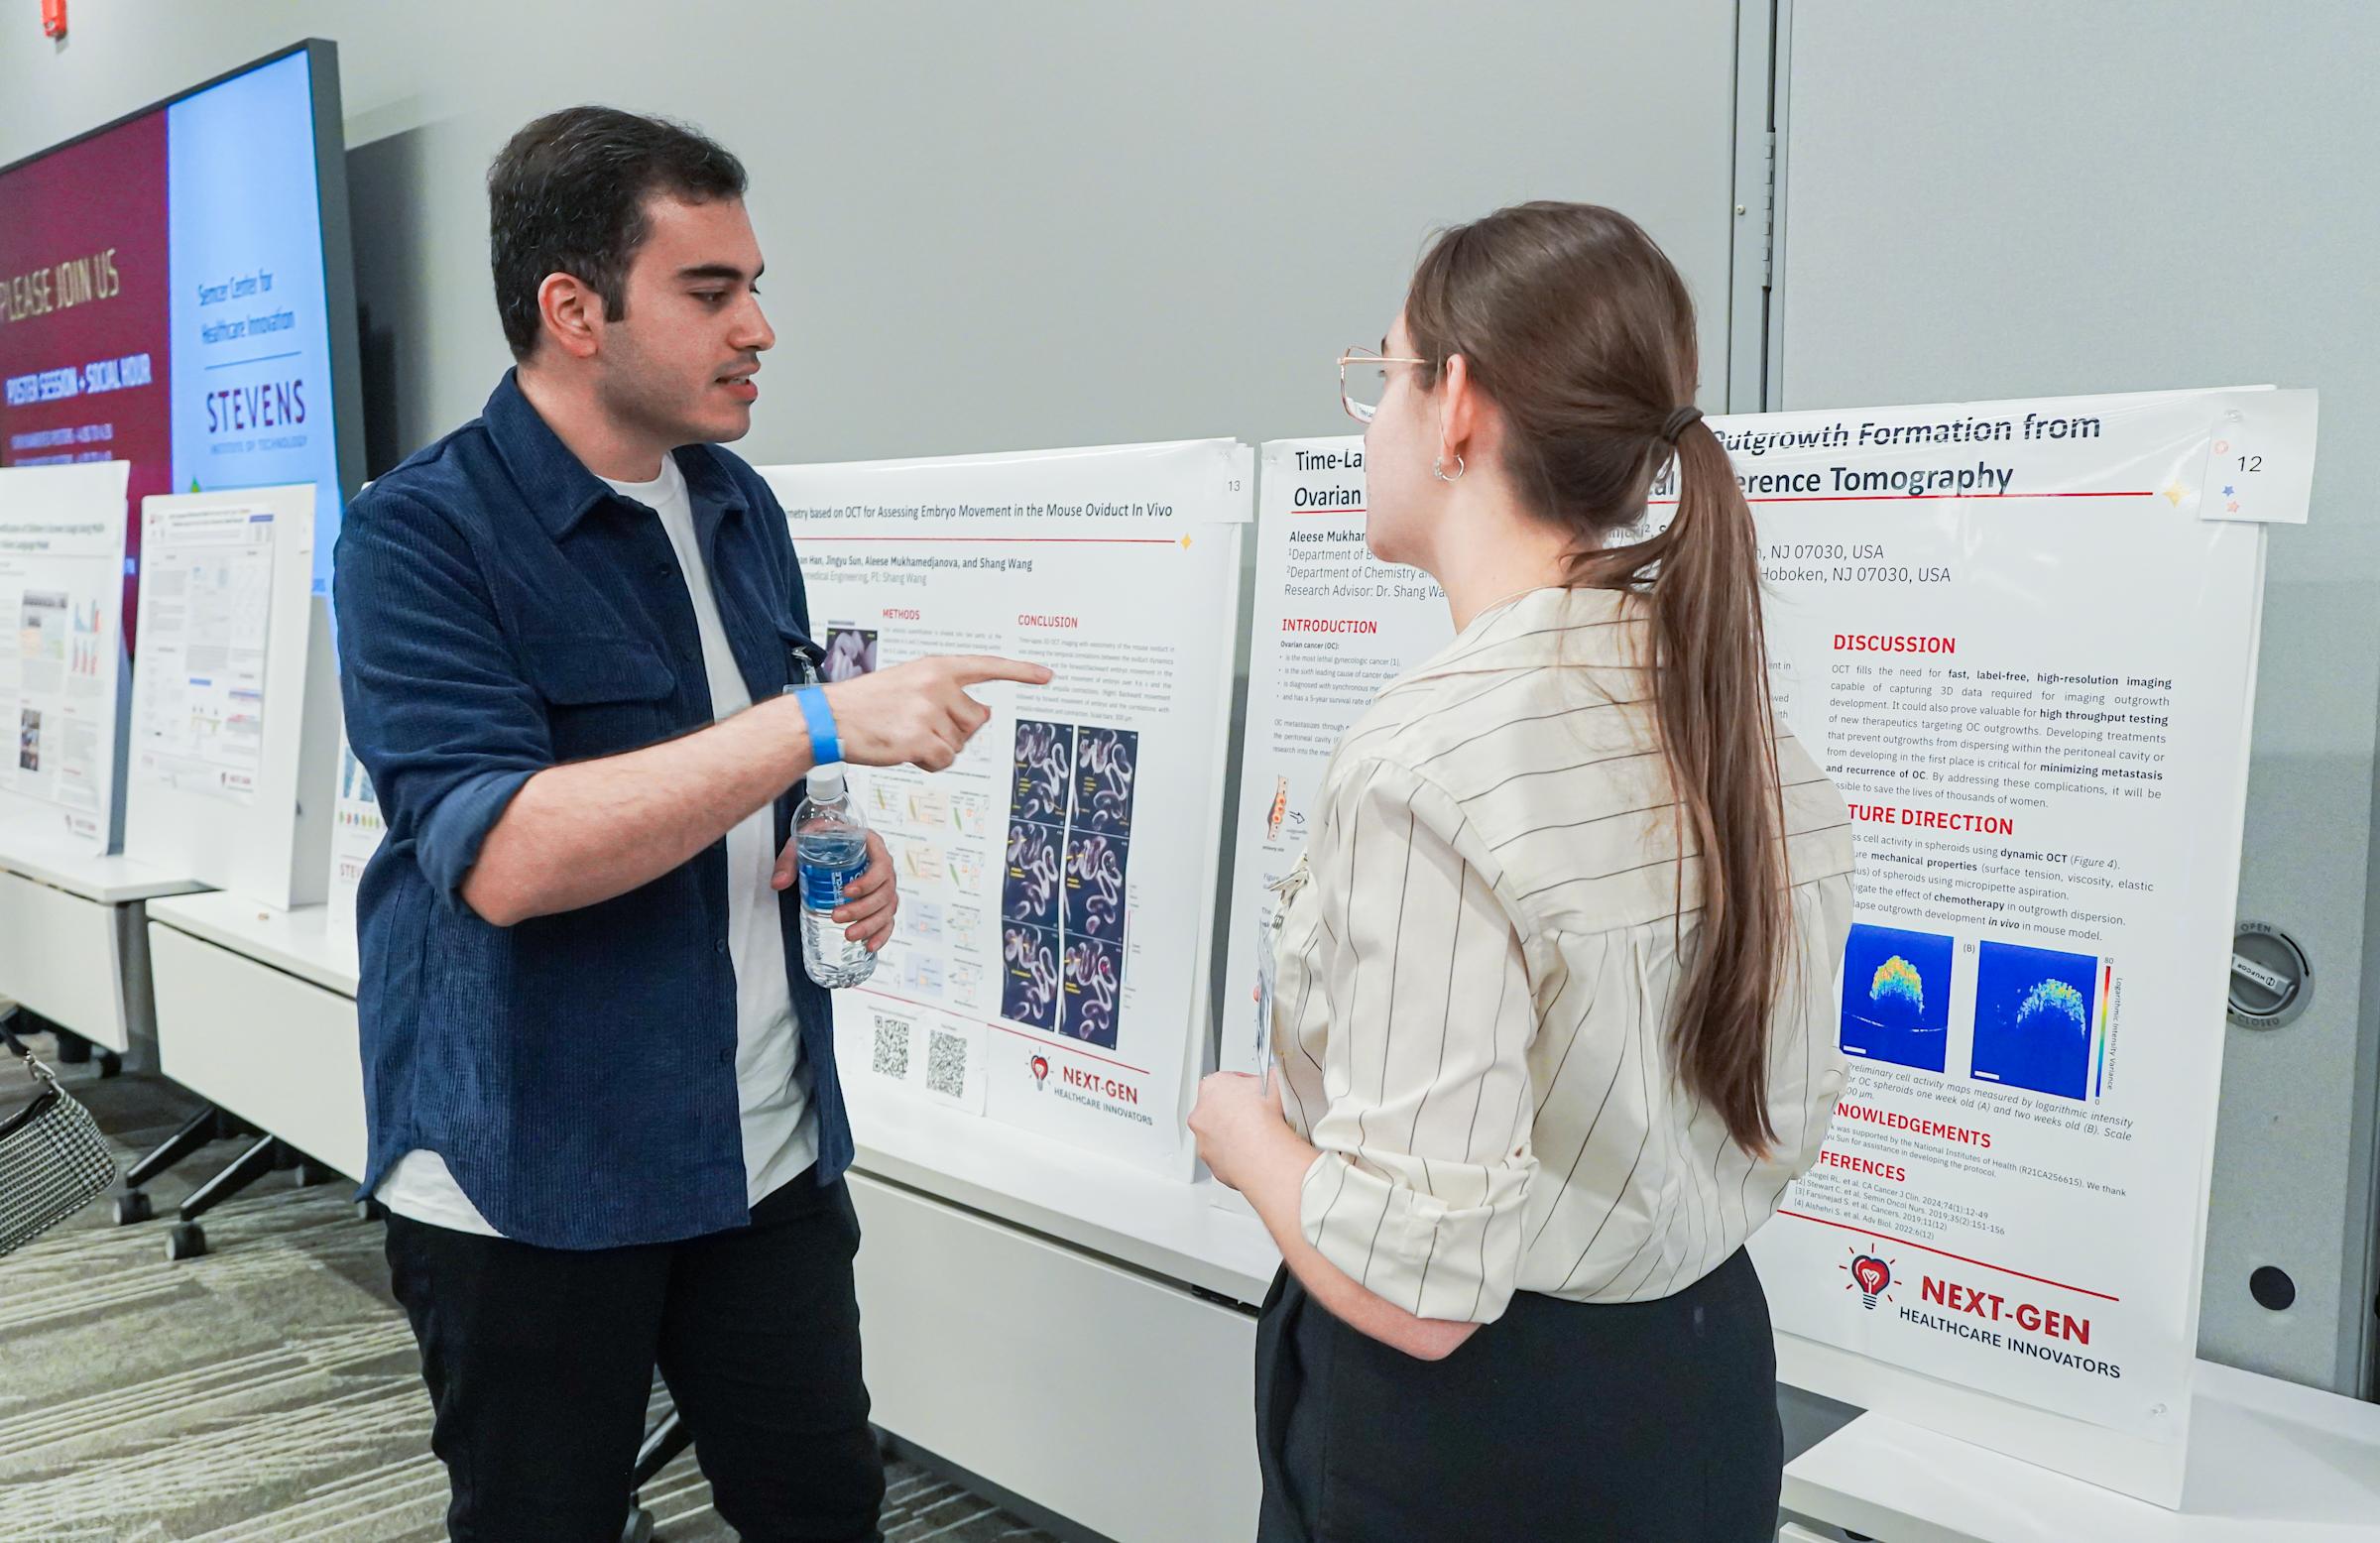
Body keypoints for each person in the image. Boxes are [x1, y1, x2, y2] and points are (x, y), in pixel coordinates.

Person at [334, 107, 1046, 1543]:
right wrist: (816, 729)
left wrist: (823, 835)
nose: (761, 328)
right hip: (533, 1179)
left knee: (824, 1507)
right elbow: (508, 855)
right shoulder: (416, 538)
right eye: (712, 292)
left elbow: (750, 773)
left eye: (756, 285)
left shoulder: (735, 504)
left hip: (760, 1154)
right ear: (572, 311)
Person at [1189, 202, 1855, 1541]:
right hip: (1706, 1381)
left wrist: (1238, 1131)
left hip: (1479, 1441)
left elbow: (1420, 1290)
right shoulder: (1732, 711)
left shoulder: (1428, 763)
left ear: (1458, 409)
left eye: (1382, 375)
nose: (1365, 422)